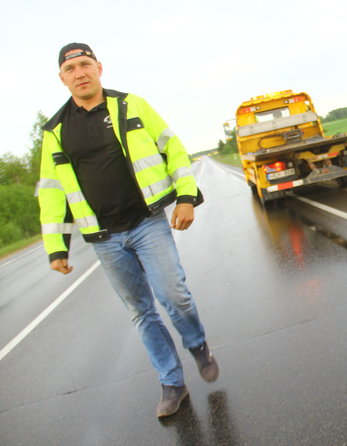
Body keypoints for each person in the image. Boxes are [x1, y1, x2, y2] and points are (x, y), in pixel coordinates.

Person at [37, 43, 218, 418]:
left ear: (99, 67)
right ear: (62, 78)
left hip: (146, 221)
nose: (80, 73)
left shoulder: (131, 105)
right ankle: (172, 383)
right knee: (141, 312)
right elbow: (51, 192)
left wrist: (186, 197)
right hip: (104, 238)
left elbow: (173, 148)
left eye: (86, 64)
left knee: (174, 296)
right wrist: (57, 248)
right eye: (71, 69)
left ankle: (197, 344)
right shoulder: (55, 131)